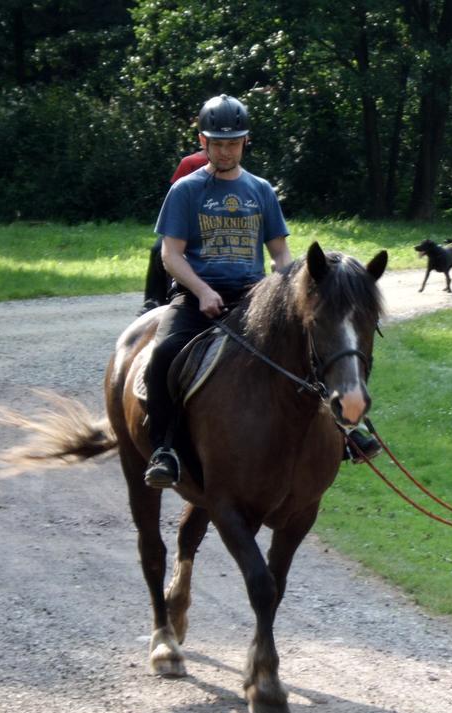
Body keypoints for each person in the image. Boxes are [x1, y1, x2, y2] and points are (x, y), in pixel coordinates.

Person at [144, 94, 379, 487]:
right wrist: (201, 291)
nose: (224, 151)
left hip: (254, 299)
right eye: (216, 143)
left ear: (245, 142)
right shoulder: (185, 191)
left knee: (319, 350)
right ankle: (164, 448)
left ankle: (345, 432)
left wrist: (295, 289)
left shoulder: (261, 190)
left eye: (232, 143)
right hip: (195, 297)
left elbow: (281, 254)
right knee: (163, 355)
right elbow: (170, 255)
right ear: (203, 142)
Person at [139, 148, 210, 315]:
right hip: (185, 223)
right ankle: (153, 299)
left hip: (213, 223)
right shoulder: (190, 162)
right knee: (158, 249)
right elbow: (175, 195)